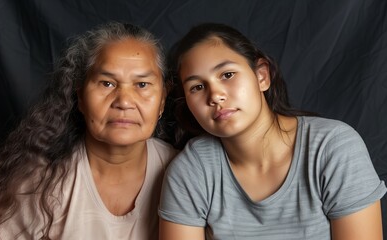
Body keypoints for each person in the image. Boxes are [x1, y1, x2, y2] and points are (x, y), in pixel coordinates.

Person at [158, 23, 386, 240]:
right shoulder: (191, 170)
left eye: (227, 75)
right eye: (197, 87)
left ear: (261, 76)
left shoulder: (333, 148)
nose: (215, 95)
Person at [0, 21, 177, 240]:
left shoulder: (185, 170)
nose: (124, 101)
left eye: (142, 85)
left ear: (162, 100)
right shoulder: (39, 182)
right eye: (107, 83)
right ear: (81, 97)